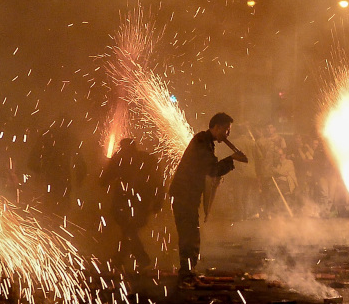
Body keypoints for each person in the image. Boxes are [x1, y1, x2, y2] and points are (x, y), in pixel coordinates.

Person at [169, 112, 248, 286]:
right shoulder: (201, 142)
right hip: (184, 194)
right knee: (189, 234)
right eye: (226, 130)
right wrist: (232, 159)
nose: (227, 135)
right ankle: (186, 276)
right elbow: (212, 169)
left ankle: (189, 272)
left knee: (192, 233)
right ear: (217, 127)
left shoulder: (206, 142)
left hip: (189, 195)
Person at [99, 137, 164, 268]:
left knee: (129, 231)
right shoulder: (147, 159)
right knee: (129, 231)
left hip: (124, 203)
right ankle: (122, 259)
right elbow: (159, 182)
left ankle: (136, 258)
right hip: (141, 202)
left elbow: (104, 180)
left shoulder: (119, 158)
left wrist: (105, 170)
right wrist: (158, 201)